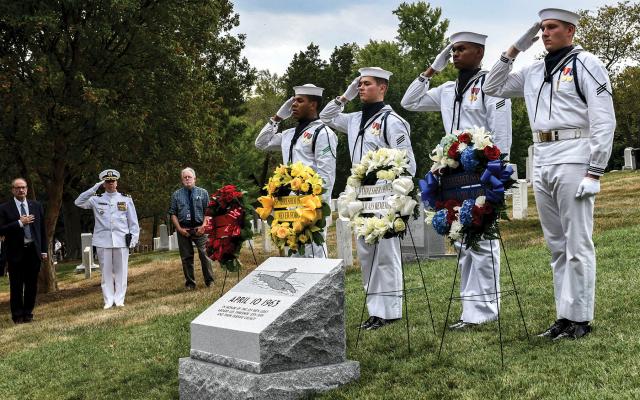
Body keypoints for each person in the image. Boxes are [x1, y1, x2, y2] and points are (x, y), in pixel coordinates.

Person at [483, 8, 615, 340]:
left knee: (576, 240)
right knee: (556, 243)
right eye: (541, 29)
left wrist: (595, 171)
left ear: (570, 30)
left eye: (551, 27)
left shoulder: (587, 63)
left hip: (574, 153)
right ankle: (564, 315)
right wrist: (516, 47)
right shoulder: (533, 69)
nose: (545, 33)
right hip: (541, 155)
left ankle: (580, 318)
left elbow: (603, 118)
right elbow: (492, 86)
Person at [401, 32, 513, 330]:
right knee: (461, 236)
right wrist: (431, 70)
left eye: (461, 49)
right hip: (453, 174)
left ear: (479, 51)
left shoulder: (491, 84)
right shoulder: (448, 89)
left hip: (483, 171)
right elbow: (409, 101)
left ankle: (487, 309)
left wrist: (499, 171)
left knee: (483, 240)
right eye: (452, 50)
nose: (455, 55)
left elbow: (501, 131)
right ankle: (469, 310)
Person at [320, 67, 416, 330]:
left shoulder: (391, 121)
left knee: (385, 253)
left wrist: (389, 186)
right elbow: (326, 116)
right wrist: (346, 94)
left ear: (382, 87)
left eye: (367, 84)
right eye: (359, 84)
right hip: (360, 194)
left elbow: (408, 162)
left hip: (384, 194)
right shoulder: (353, 119)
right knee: (366, 252)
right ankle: (375, 310)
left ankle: (391, 310)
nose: (361, 88)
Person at [255, 83, 338, 257]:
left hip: (310, 206)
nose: (293, 105)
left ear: (313, 104)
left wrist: (317, 208)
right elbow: (261, 143)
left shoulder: (323, 132)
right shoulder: (288, 134)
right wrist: (277, 118)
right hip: (288, 205)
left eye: (299, 101)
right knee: (293, 253)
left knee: (313, 254)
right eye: (293, 101)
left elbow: (327, 175)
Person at [75, 170, 140, 309]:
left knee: (121, 271)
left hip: (121, 240)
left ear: (116, 182)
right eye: (107, 182)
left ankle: (119, 299)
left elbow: (133, 221)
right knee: (106, 272)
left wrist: (134, 239)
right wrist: (94, 187)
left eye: (113, 181)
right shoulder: (96, 199)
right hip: (103, 240)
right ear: (104, 184)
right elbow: (78, 201)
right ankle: (108, 300)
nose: (111, 184)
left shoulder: (126, 199)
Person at [0, 178, 48, 323]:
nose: (21, 190)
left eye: (23, 187)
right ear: (12, 190)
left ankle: (28, 313)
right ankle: (17, 315)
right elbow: (1, 229)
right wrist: (20, 223)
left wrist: (44, 250)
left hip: (33, 251)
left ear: (27, 189)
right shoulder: (4, 208)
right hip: (15, 253)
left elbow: (42, 230)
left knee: (31, 285)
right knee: (16, 286)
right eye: (18, 188)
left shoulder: (36, 205)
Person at [168, 167, 214, 289]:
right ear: (182, 180)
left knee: (205, 255)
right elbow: (173, 213)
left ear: (194, 179)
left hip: (200, 229)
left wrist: (204, 226)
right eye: (185, 177)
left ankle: (209, 281)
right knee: (186, 257)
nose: (187, 179)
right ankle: (190, 283)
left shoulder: (203, 193)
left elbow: (208, 211)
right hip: (184, 230)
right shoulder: (176, 195)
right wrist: (179, 229)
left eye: (189, 177)